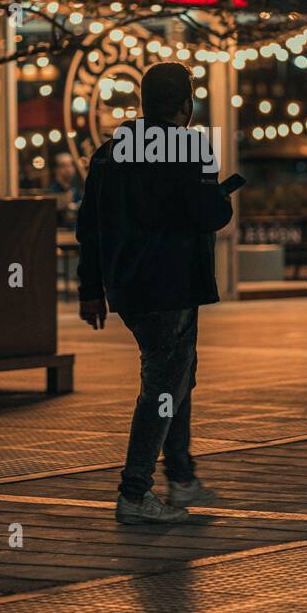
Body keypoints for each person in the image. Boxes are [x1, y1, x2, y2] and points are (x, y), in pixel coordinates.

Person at [75, 62, 234, 524]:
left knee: (176, 379)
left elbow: (90, 227)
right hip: (175, 283)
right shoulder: (191, 149)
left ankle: (181, 478)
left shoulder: (109, 152)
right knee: (165, 385)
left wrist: (90, 289)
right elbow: (209, 216)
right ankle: (135, 491)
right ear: (186, 104)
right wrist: (220, 197)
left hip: (129, 285)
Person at [48, 150, 83, 228]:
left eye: (70, 165)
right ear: (56, 169)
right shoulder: (53, 191)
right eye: (63, 166)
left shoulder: (76, 190)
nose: (68, 169)